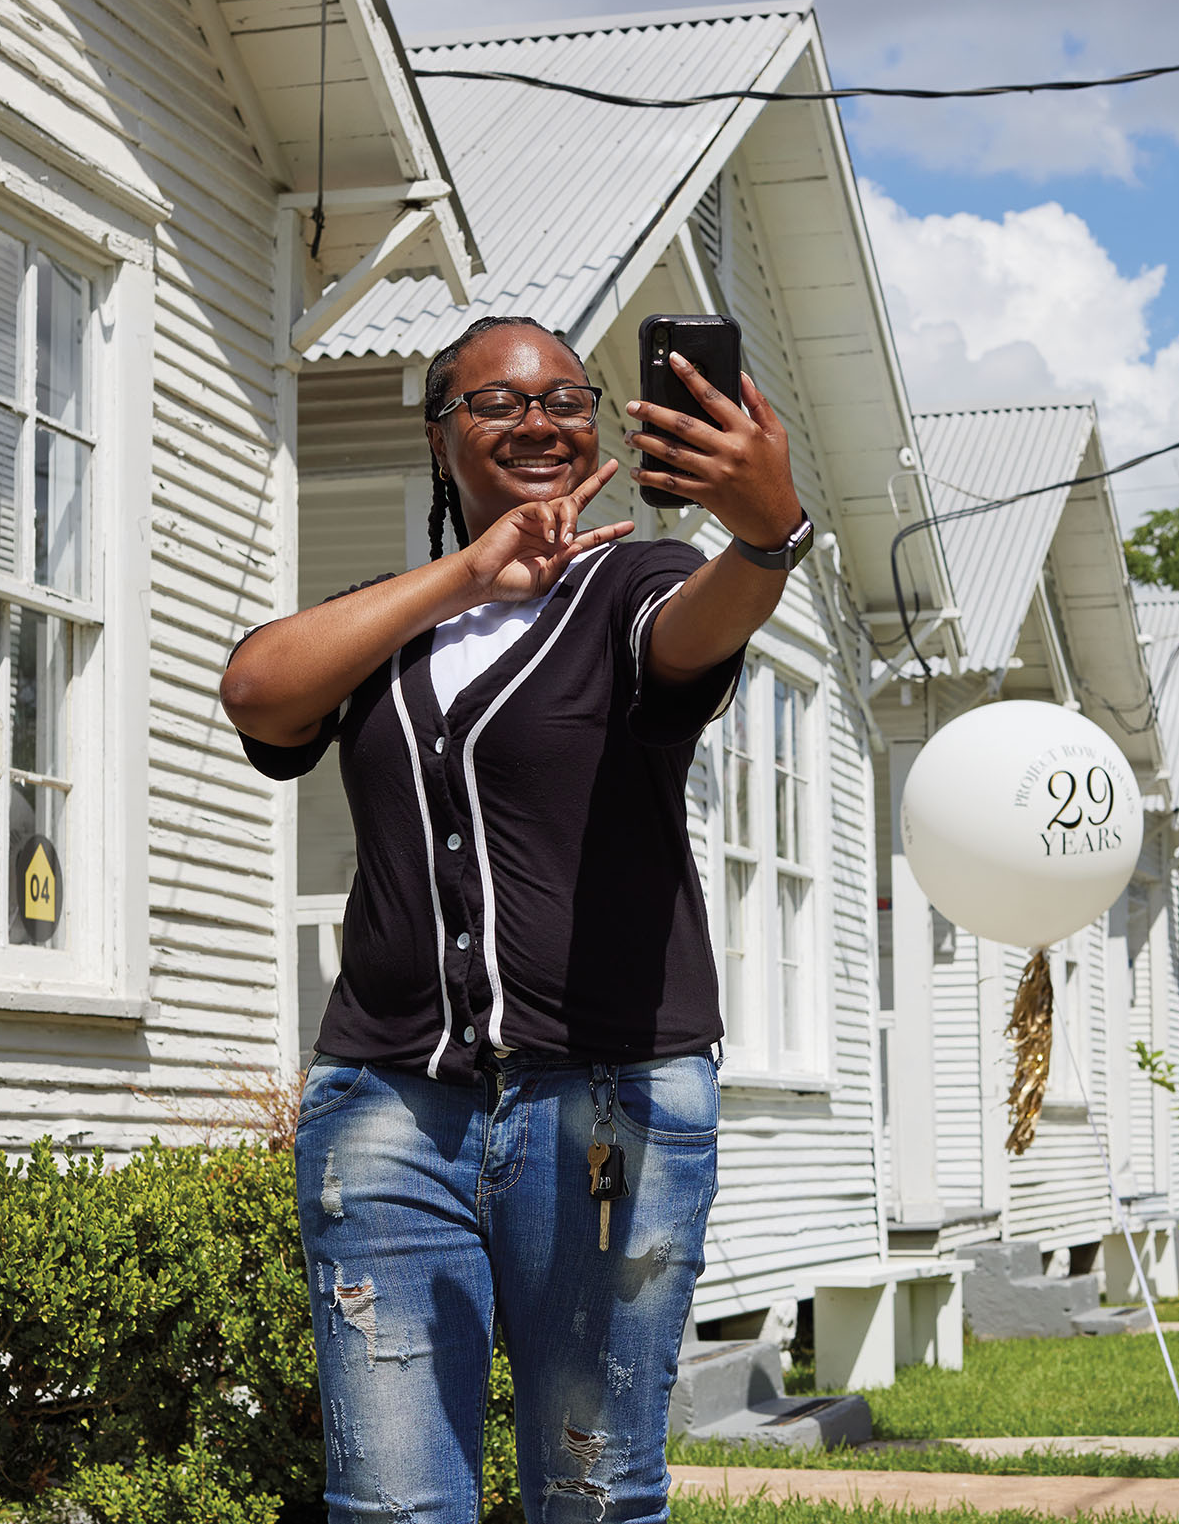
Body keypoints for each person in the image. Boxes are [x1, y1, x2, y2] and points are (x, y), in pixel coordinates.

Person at [220, 313, 812, 1522]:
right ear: (441, 438)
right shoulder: (392, 618)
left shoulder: (632, 585)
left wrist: (766, 533)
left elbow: (704, 625)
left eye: (564, 398)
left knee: (590, 1491)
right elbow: (259, 690)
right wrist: (468, 572)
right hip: (388, 1102)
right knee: (389, 1502)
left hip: (606, 1107)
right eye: (494, 402)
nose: (538, 419)